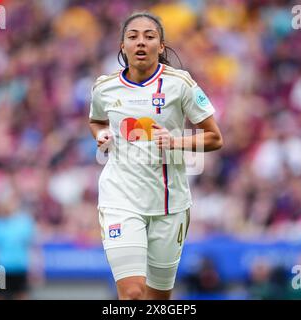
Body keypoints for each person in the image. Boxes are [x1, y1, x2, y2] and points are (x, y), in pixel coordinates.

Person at [88, 12, 223, 300]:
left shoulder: (180, 84)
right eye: (133, 36)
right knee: (133, 294)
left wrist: (176, 141)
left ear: (161, 46)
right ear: (122, 45)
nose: (141, 42)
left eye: (149, 37)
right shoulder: (104, 87)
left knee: (158, 299)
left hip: (170, 204)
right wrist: (101, 136)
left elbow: (215, 137)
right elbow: (96, 120)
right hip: (120, 199)